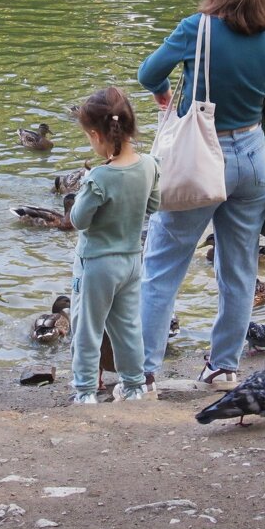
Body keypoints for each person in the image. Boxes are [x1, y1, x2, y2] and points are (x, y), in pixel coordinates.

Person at [137, 0, 265, 393]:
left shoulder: (196, 28)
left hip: (198, 159)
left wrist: (164, 92)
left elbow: (148, 73)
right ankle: (223, 368)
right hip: (254, 159)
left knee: (163, 265)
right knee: (239, 270)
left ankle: (144, 372)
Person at [68, 87, 161, 404]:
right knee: (128, 327)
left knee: (87, 328)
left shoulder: (99, 178)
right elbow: (154, 205)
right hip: (132, 262)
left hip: (97, 265)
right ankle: (134, 387)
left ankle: (85, 392)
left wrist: (85, 186)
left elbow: (79, 220)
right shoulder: (149, 165)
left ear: (96, 135)